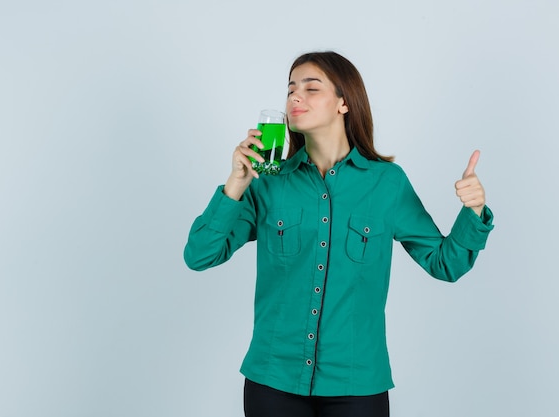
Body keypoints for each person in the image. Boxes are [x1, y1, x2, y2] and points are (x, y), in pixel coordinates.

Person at [183, 51, 493, 417]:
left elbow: (446, 264)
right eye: (291, 89)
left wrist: (473, 210)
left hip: (357, 384)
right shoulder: (268, 183)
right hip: (272, 381)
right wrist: (235, 183)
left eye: (311, 88)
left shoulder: (386, 184)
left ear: (344, 103)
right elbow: (200, 255)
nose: (295, 97)